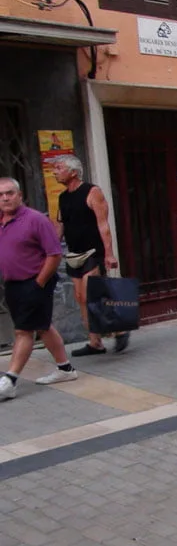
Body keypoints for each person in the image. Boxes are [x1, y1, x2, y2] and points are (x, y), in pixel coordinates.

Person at [0, 177, 78, 400]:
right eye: (1, 195)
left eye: (9, 193)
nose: (5, 198)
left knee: (24, 330)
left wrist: (39, 283)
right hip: (13, 283)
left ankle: (10, 380)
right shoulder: (1, 220)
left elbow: (54, 254)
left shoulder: (35, 220)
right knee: (43, 326)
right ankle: (65, 369)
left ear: (20, 195)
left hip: (35, 281)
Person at [53, 155, 129, 357]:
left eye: (59, 168)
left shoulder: (92, 192)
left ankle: (120, 328)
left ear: (73, 172)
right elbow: (60, 225)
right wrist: (50, 248)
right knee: (80, 298)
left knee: (91, 295)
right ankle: (95, 343)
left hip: (93, 252)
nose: (54, 171)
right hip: (74, 253)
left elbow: (103, 224)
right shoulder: (62, 197)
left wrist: (110, 254)